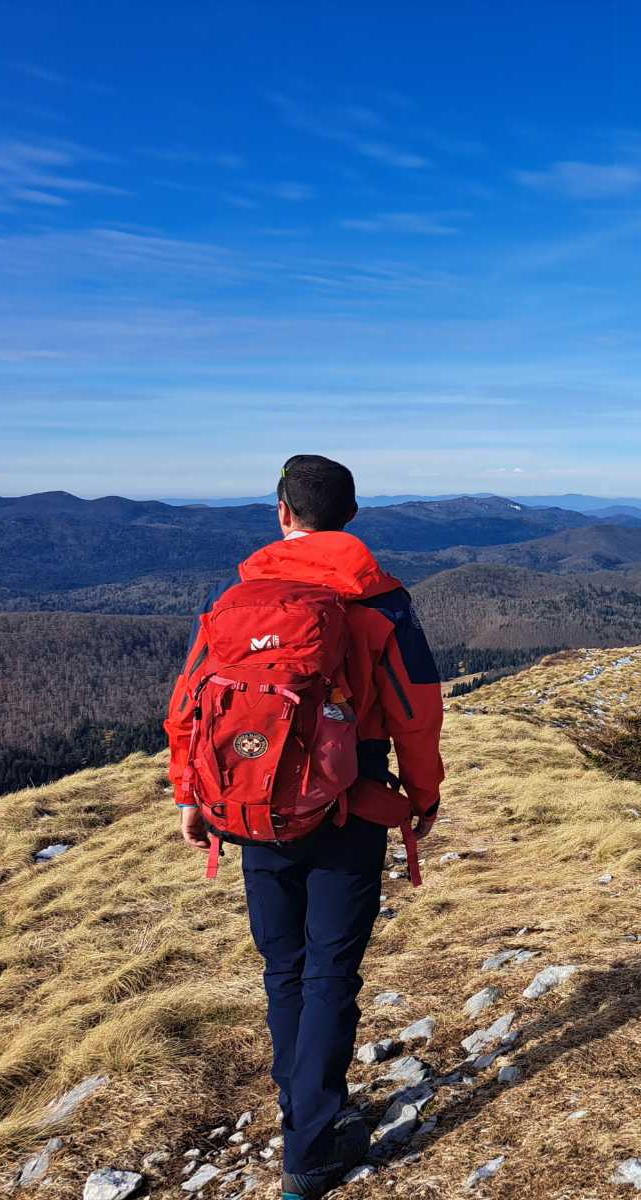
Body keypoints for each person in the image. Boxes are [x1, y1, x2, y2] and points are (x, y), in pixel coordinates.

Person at [165, 455, 445, 1199]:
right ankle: (312, 1147)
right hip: (348, 801)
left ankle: (301, 1109)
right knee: (329, 972)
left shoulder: (238, 600)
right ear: (351, 516)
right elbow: (418, 710)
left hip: (252, 806)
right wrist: (423, 793)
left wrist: (191, 795)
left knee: (284, 968)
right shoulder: (381, 605)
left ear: (282, 512)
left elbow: (191, 702)